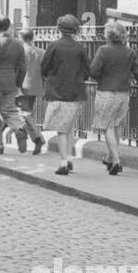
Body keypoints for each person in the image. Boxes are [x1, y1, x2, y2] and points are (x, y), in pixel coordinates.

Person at [88, 20, 138, 176]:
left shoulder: (103, 50)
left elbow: (94, 72)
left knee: (107, 126)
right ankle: (110, 157)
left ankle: (116, 160)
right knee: (116, 125)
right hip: (123, 94)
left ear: (108, 34)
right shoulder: (130, 52)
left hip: (106, 93)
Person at [0, 17, 42, 156]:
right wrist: (17, 83)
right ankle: (19, 129)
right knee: (9, 111)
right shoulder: (18, 44)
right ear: (9, 27)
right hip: (11, 84)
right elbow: (22, 67)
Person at [40, 13, 91, 176]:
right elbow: (87, 72)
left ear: (59, 29)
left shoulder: (53, 46)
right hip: (75, 93)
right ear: (75, 30)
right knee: (69, 128)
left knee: (61, 130)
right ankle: (69, 158)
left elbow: (44, 68)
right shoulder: (80, 48)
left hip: (57, 92)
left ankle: (63, 163)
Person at [16, 27, 47, 153]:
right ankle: (34, 139)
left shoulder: (19, 51)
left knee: (24, 114)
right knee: (25, 114)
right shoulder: (41, 52)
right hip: (36, 86)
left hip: (22, 86)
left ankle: (38, 138)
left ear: (20, 38)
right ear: (33, 37)